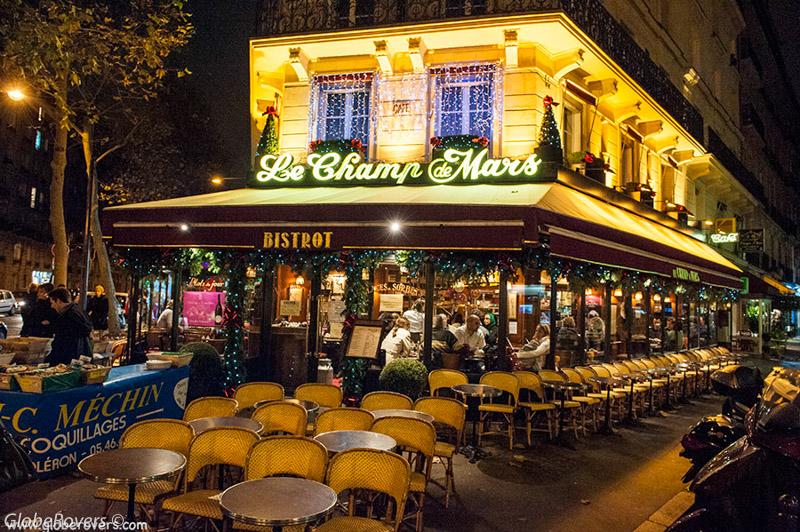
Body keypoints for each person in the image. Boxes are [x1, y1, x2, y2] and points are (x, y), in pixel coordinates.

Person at [46, 287, 93, 366]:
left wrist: (50, 361)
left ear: (58, 301)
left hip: (68, 359)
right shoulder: (79, 311)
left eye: (52, 303)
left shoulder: (67, 317)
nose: (52, 306)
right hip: (80, 357)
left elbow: (62, 342)